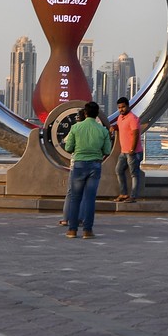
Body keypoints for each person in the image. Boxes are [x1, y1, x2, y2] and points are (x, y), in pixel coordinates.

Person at [64, 101, 112, 239]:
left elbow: (68, 148)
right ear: (97, 114)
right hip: (95, 165)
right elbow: (107, 150)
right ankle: (87, 230)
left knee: (75, 198)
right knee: (90, 199)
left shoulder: (75, 128)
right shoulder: (102, 130)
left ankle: (72, 230)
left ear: (85, 113)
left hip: (79, 165)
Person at [111, 97, 143, 203]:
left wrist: (132, 149)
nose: (121, 109)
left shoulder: (133, 118)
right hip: (124, 152)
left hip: (133, 152)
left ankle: (133, 196)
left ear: (128, 106)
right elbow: (120, 127)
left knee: (134, 174)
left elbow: (135, 133)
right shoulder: (120, 118)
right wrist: (114, 127)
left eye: (123, 107)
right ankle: (124, 194)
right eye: (119, 107)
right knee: (118, 170)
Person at [59, 108, 88, 226]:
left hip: (76, 164)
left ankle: (66, 219)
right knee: (85, 193)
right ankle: (80, 219)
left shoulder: (74, 128)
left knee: (71, 192)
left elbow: (68, 146)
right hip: (91, 163)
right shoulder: (95, 128)